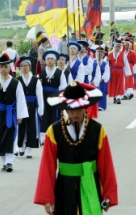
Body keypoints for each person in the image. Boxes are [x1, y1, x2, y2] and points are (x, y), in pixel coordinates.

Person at [34, 81, 118, 214]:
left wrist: (108, 194)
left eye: (78, 109)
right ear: (65, 108)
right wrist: (47, 198)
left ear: (85, 107)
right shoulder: (54, 131)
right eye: (71, 109)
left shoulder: (98, 130)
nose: (75, 113)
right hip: (64, 187)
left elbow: (106, 165)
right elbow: (47, 166)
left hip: (90, 183)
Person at [0, 53, 29, 172]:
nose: (3, 69)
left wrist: (20, 115)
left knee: (10, 136)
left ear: (10, 68)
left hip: (10, 113)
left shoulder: (15, 83)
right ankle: (3, 161)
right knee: (0, 136)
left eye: (6, 66)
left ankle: (9, 162)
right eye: (1, 67)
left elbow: (21, 99)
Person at [17, 57, 44, 158]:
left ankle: (29, 149)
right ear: (20, 68)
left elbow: (39, 96)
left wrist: (41, 109)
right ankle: (21, 146)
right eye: (22, 66)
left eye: (26, 66)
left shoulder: (35, 80)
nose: (24, 68)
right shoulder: (18, 80)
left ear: (30, 67)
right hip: (21, 105)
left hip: (33, 106)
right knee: (22, 126)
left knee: (32, 127)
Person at [39, 50, 67, 144]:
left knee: (55, 115)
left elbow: (63, 86)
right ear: (45, 61)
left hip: (55, 96)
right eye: (48, 59)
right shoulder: (41, 73)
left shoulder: (60, 72)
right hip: (44, 97)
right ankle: (44, 136)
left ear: (55, 61)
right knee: (45, 115)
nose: (50, 61)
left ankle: (55, 135)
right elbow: (38, 86)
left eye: (51, 59)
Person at [108, 40, 132, 104]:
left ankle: (118, 98)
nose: (117, 48)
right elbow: (107, 64)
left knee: (119, 84)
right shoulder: (109, 54)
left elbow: (126, 63)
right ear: (114, 47)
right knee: (113, 85)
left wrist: (128, 73)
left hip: (120, 71)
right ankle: (115, 97)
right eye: (116, 47)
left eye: (119, 47)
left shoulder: (122, 54)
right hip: (112, 71)